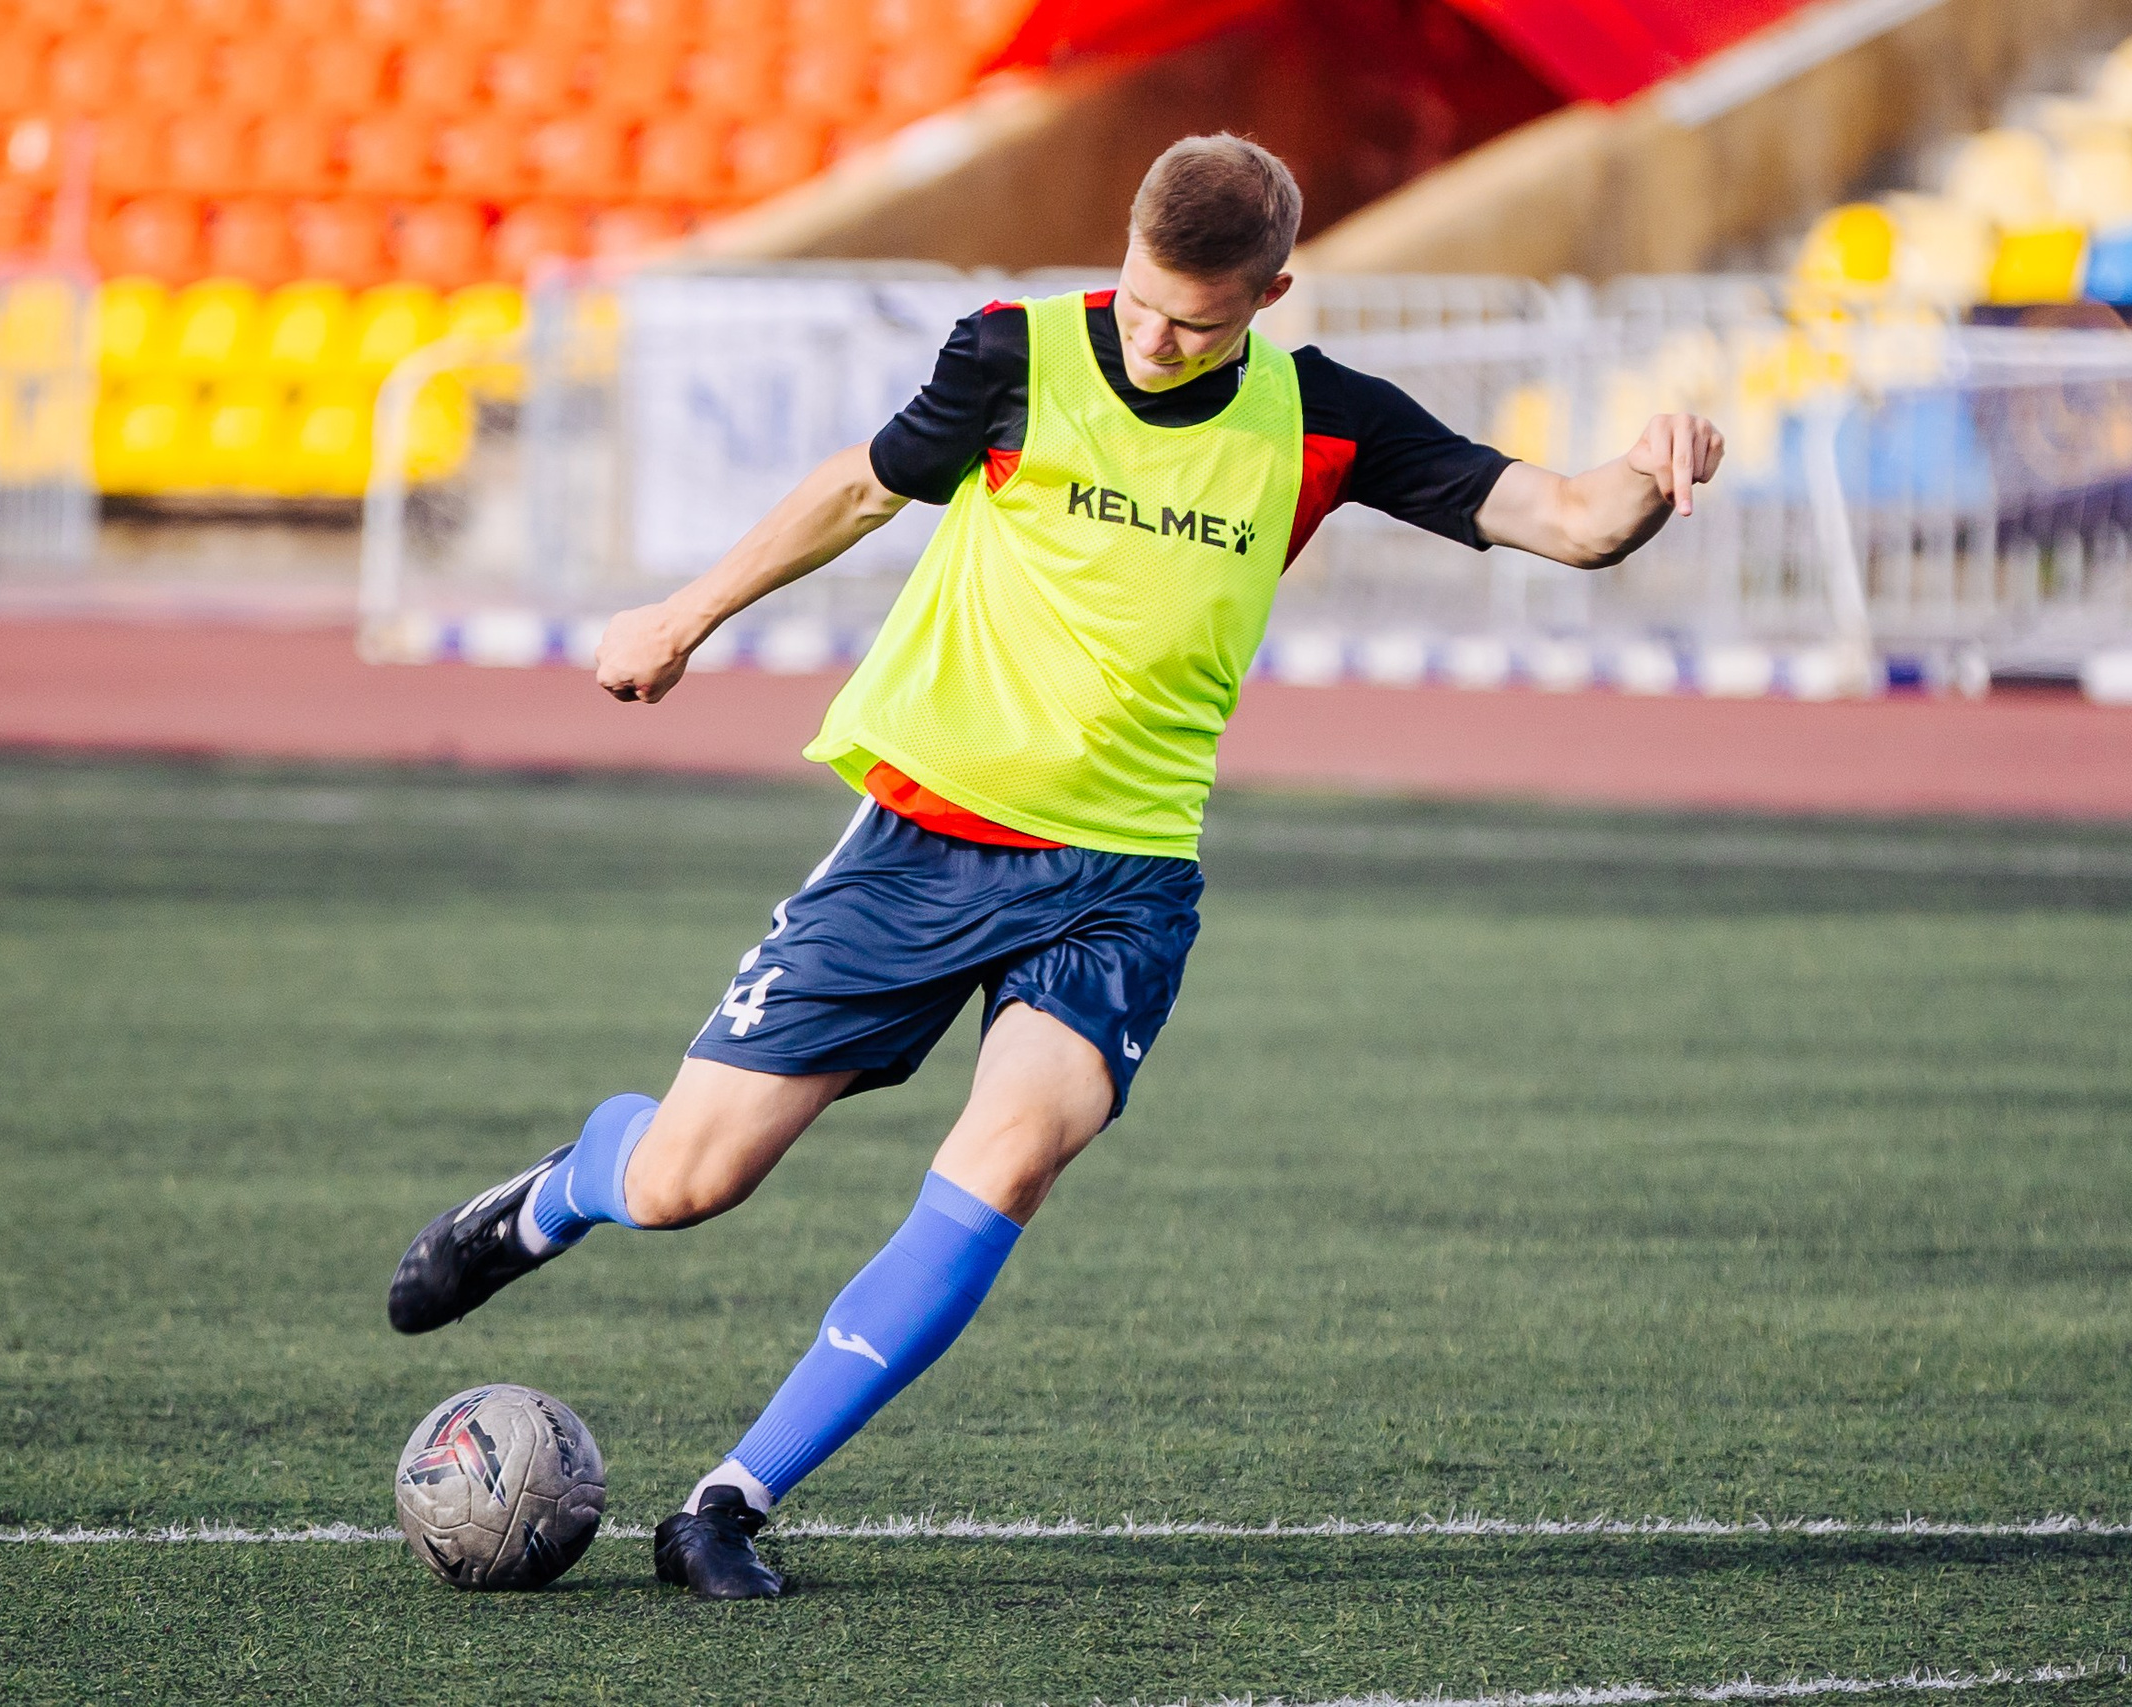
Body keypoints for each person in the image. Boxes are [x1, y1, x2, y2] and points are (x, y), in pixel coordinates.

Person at [388, 134, 1725, 1600]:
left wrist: (1652, 477)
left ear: (1272, 292)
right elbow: (861, 487)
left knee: (1020, 1144)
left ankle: (728, 1504)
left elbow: (1574, 520)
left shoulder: (1324, 420)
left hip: (1120, 879)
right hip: (920, 839)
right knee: (688, 1182)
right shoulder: (1018, 355)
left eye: (1196, 319)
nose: (1154, 338)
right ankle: (560, 1191)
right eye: (1144, 299)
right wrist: (685, 613)